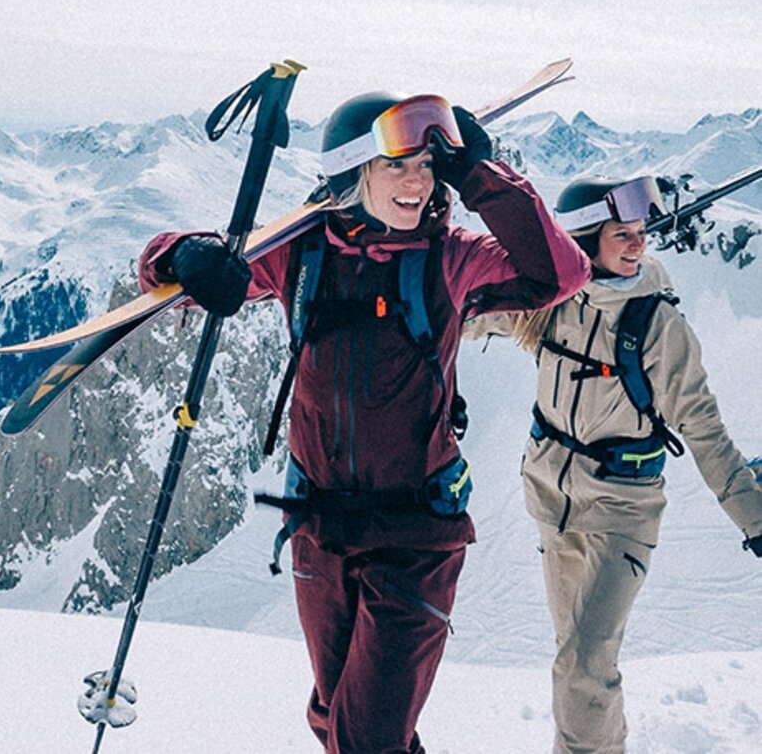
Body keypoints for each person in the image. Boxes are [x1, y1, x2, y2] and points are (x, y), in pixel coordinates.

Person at [138, 91, 590, 754]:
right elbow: (161, 265)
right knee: (337, 716)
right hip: (318, 528)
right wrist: (182, 260)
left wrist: (477, 177)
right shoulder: (300, 255)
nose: (419, 182)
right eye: (397, 166)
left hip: (416, 536)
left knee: (365, 738)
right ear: (355, 175)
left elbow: (561, 273)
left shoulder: (450, 257)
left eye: (427, 167)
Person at [465, 174, 762, 754]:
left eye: (639, 232)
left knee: (582, 667)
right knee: (576, 660)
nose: (637, 245)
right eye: (621, 234)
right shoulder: (550, 301)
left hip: (623, 509)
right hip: (551, 501)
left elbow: (704, 428)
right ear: (580, 242)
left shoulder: (657, 325)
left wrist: (755, 517)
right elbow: (470, 314)